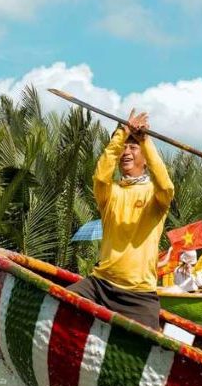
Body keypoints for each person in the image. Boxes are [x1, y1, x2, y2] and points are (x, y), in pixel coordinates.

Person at [67, 110, 174, 330]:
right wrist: (122, 134)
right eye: (124, 147)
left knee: (147, 350)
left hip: (139, 294)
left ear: (144, 157)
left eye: (133, 147)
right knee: (57, 304)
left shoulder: (156, 195)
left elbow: (166, 184)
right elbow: (100, 175)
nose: (126, 152)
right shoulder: (109, 192)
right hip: (99, 284)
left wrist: (144, 139)